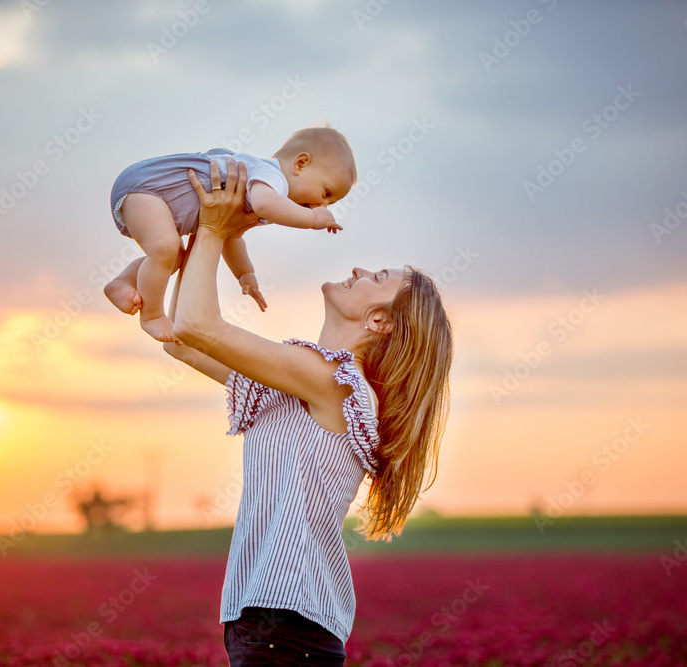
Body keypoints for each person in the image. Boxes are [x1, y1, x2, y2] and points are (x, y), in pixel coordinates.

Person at [153, 158, 453, 665]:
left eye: (377, 276)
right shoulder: (297, 383)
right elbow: (183, 338)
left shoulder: (339, 384)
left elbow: (199, 326)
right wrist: (201, 234)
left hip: (286, 622)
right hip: (265, 618)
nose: (358, 270)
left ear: (379, 320)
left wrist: (214, 229)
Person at [104, 127, 355, 343]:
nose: (324, 207)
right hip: (149, 187)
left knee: (176, 256)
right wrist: (312, 220)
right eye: (326, 193)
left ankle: (123, 283)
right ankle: (152, 316)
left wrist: (245, 273)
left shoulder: (261, 192)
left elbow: (231, 237)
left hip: (153, 199)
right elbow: (267, 205)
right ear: (300, 164)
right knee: (166, 248)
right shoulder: (269, 176)